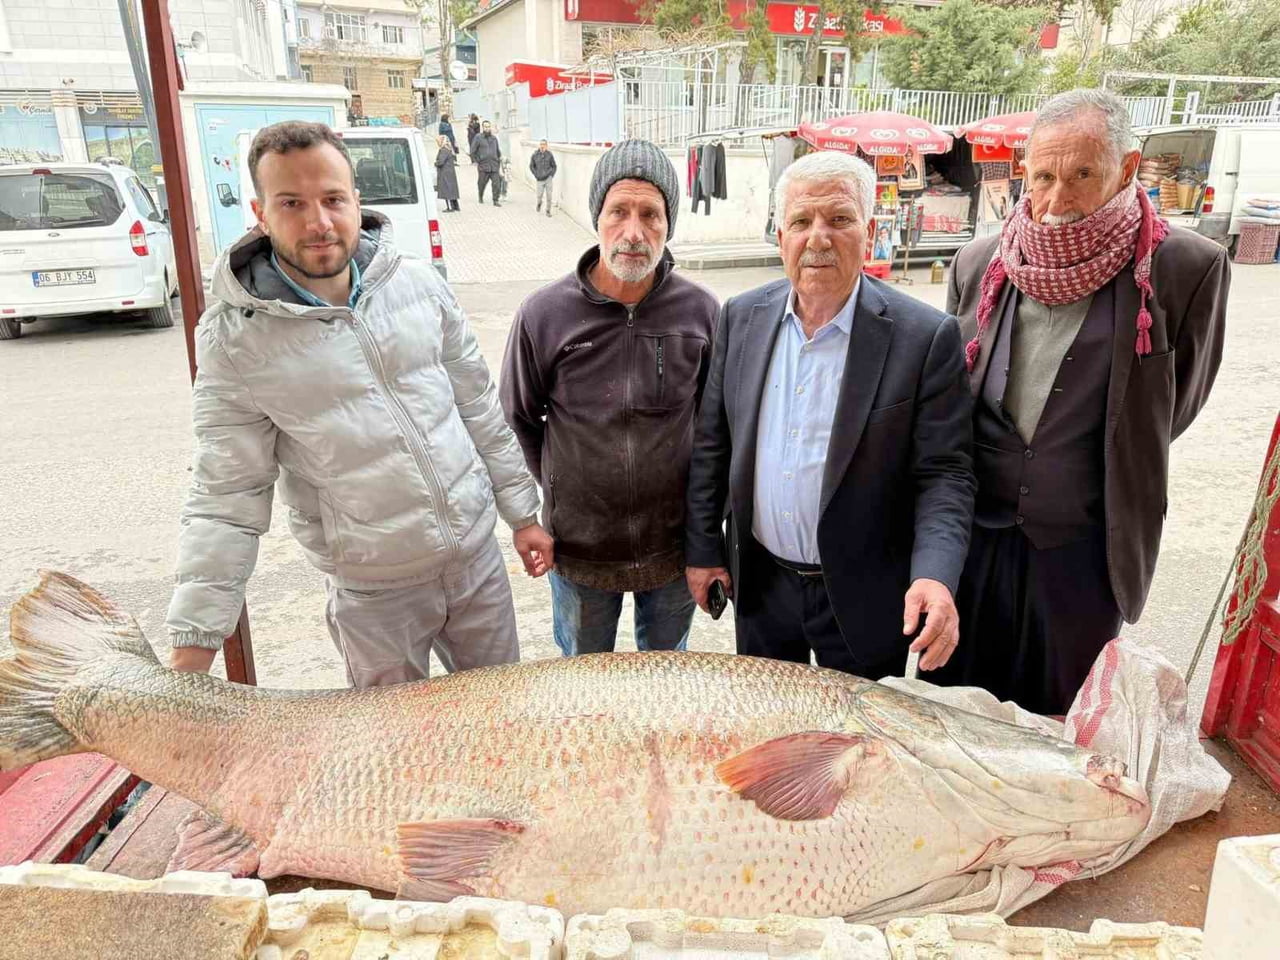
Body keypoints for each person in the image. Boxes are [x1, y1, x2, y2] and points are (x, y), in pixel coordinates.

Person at [165, 121, 553, 688]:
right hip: (375, 596)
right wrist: (194, 646)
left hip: (476, 567)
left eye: (332, 199)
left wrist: (523, 516)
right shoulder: (237, 339)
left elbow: (478, 410)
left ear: (356, 199)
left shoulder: (418, 286)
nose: (318, 222)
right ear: (260, 211)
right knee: (398, 759)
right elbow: (225, 494)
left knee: (501, 731)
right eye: (292, 203)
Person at [934, 89, 1230, 715]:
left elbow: (1174, 408)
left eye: (1081, 175)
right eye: (1043, 176)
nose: (1057, 201)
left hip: (1083, 554)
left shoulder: (1184, 269)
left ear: (1126, 169)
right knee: (957, 718)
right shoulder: (979, 262)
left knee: (1063, 726)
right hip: (974, 548)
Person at [684, 150, 976, 680]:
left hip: (865, 591)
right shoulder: (741, 318)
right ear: (780, 238)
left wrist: (936, 576)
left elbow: (945, 474)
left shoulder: (924, 337)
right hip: (764, 585)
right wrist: (704, 548)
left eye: (838, 220)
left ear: (868, 231)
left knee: (852, 749)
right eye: (801, 221)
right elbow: (713, 442)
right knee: (768, 730)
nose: (818, 238)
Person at [501, 140, 719, 656]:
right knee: (583, 683)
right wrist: (557, 488)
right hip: (581, 550)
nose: (634, 232)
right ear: (597, 216)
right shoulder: (544, 315)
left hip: (672, 547)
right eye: (618, 211)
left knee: (665, 678)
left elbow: (716, 428)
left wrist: (708, 534)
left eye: (651, 214)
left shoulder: (702, 313)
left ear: (670, 224)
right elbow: (518, 418)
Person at [471, 120, 502, 207]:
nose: (487, 128)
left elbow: (497, 150)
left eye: (488, 126)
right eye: (485, 127)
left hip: (494, 165)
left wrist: (499, 158)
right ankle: (480, 195)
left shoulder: (494, 138)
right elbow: (473, 150)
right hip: (483, 166)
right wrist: (476, 161)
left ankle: (495, 200)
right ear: (482, 127)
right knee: (481, 183)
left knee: (497, 184)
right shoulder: (478, 137)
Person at [530, 139, 557, 218]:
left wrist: (551, 175)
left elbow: (554, 166)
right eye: (541, 144)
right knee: (539, 195)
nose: (542, 146)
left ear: (546, 146)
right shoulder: (535, 155)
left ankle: (548, 210)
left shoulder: (549, 155)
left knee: (549, 196)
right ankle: (539, 204)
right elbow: (531, 166)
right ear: (539, 145)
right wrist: (536, 174)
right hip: (539, 179)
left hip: (548, 178)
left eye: (544, 144)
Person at [435, 134, 460, 212]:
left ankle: (450, 207)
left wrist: (435, 163)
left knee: (447, 190)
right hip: (450, 173)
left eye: (438, 141)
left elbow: (440, 162)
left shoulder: (443, 150)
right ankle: (456, 206)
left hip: (445, 173)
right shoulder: (448, 149)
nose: (437, 143)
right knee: (452, 190)